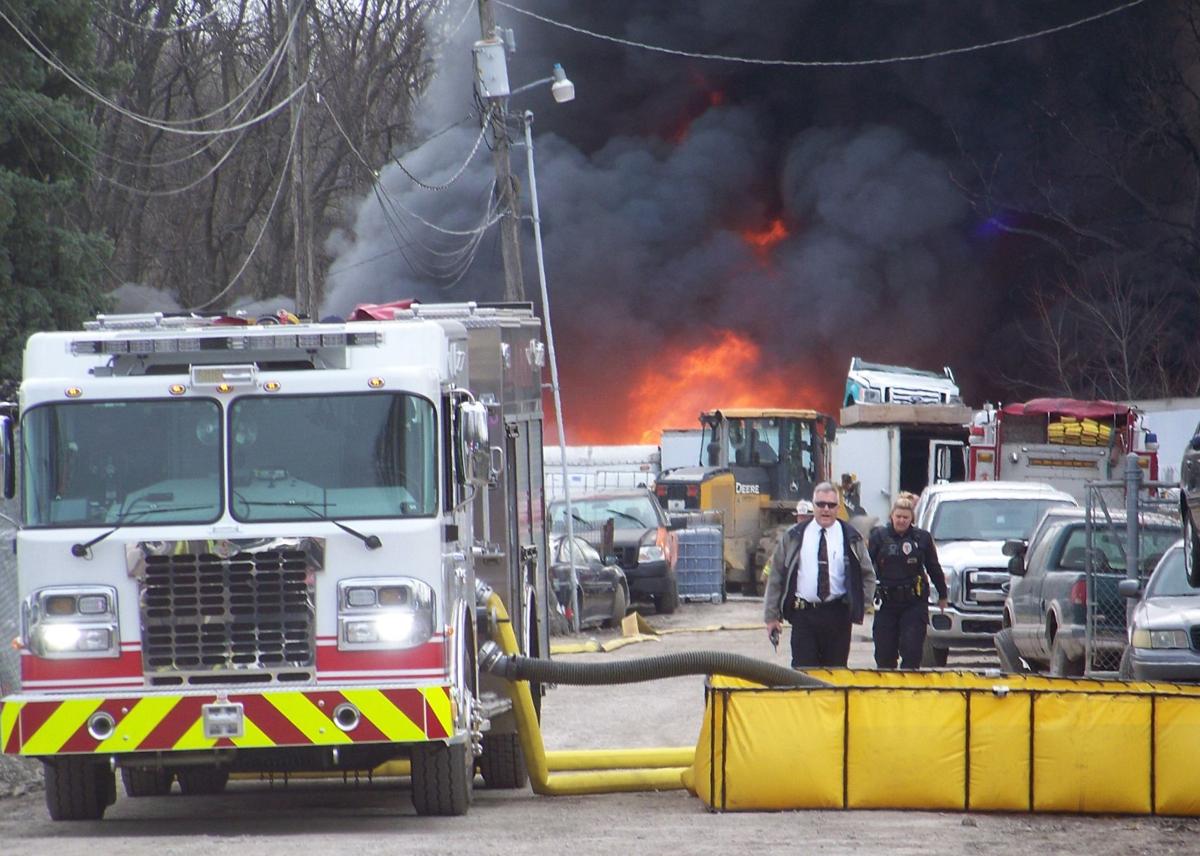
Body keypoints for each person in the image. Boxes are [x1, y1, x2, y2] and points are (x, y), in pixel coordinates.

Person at [764, 482, 876, 668]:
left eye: (831, 505)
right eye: (820, 504)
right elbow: (776, 575)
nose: (826, 509)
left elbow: (868, 575)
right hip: (803, 617)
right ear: (813, 506)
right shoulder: (794, 536)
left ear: (838, 508)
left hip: (838, 617)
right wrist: (771, 617)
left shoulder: (851, 537)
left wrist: (860, 605)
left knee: (835, 675)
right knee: (803, 674)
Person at [868, 494, 948, 670]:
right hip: (886, 603)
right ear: (892, 516)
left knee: (912, 651)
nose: (901, 520)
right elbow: (865, 567)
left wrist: (942, 595)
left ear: (912, 518)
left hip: (913, 603)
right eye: (898, 516)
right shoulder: (878, 537)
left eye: (906, 517)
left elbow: (933, 567)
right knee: (884, 654)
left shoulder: (922, 539)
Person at [759, 499, 814, 588]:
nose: (802, 520)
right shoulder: (790, 535)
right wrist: (766, 576)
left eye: (805, 517)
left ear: (812, 518)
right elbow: (775, 558)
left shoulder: (817, 535)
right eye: (800, 517)